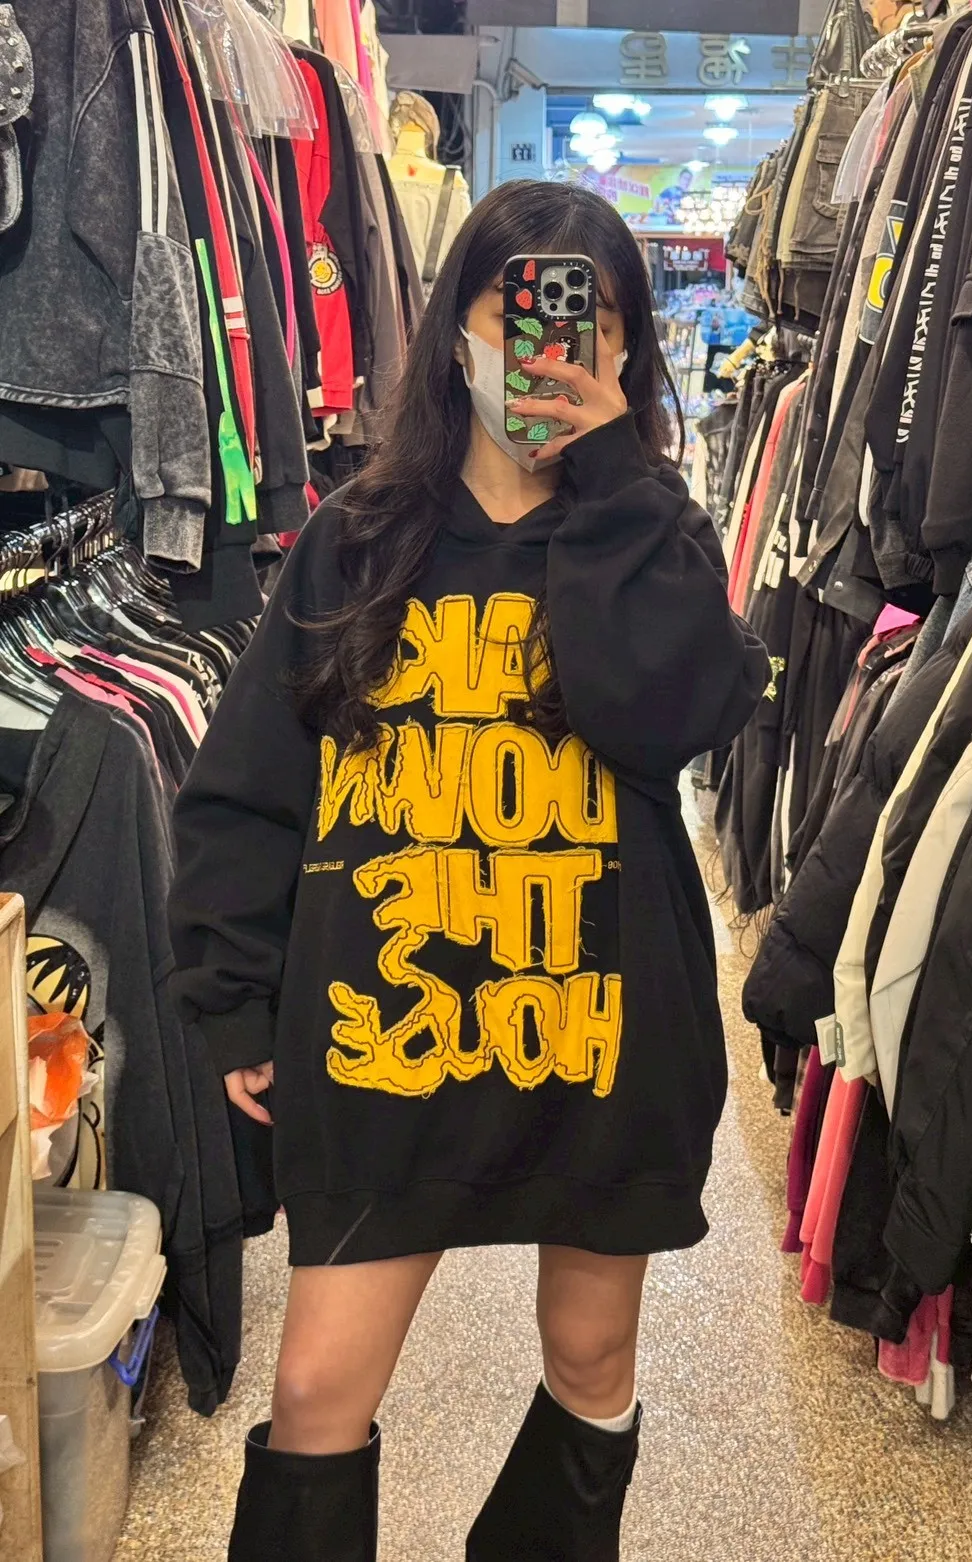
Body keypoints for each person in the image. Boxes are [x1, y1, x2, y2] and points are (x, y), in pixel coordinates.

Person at [168, 177, 767, 1562]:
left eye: (591, 323)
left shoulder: (655, 535)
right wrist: (235, 993)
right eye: (522, 313)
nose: (552, 352)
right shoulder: (357, 536)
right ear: (455, 333)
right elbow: (252, 780)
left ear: (628, 349)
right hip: (389, 1031)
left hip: (596, 1035)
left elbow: (670, 715)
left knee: (591, 1358)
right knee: (316, 1387)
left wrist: (613, 481)